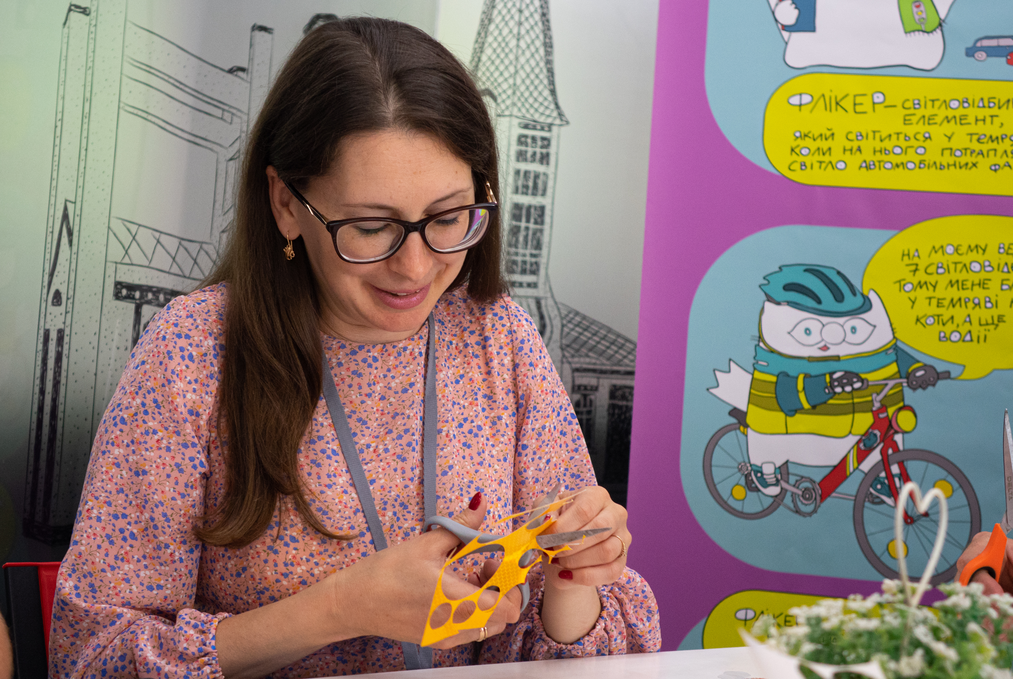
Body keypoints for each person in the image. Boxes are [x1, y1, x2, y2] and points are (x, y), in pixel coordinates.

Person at [49, 17, 660, 678]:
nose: (415, 267)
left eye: (448, 217)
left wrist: (573, 578)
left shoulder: (497, 335)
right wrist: (340, 608)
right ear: (286, 204)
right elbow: (93, 658)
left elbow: (571, 649)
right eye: (371, 227)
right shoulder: (195, 353)